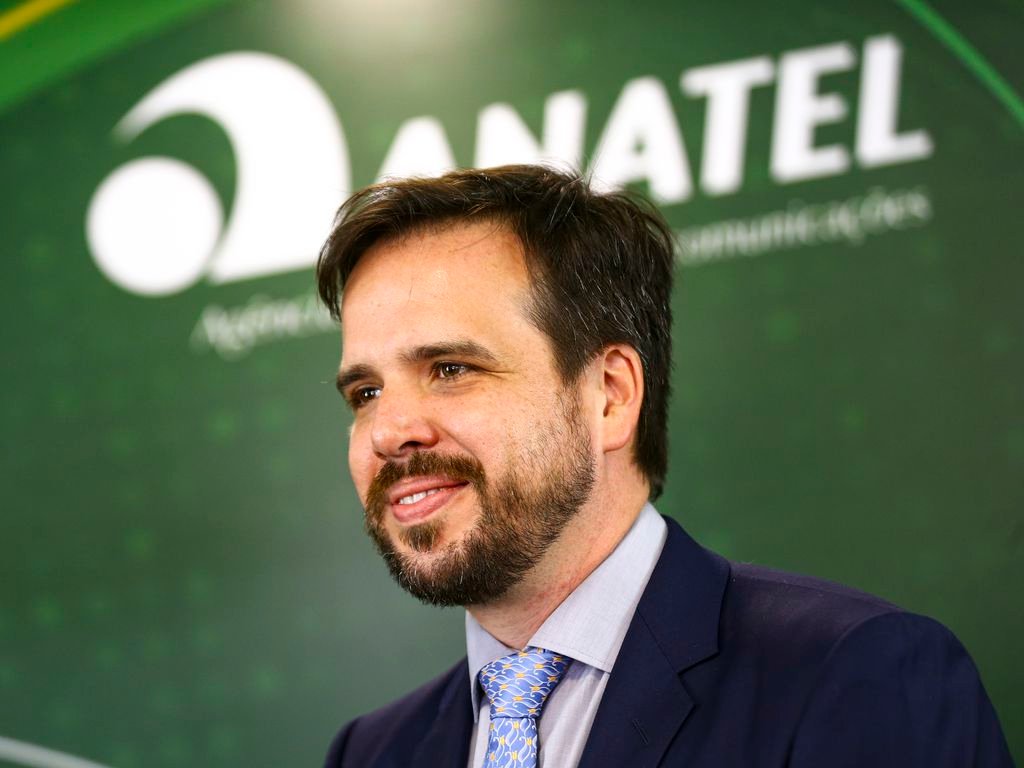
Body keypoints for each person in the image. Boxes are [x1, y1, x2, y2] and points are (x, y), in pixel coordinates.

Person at [316, 165, 1013, 768]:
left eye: (450, 368)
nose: (390, 432)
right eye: (366, 393)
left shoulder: (857, 676)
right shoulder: (372, 753)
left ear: (609, 395)